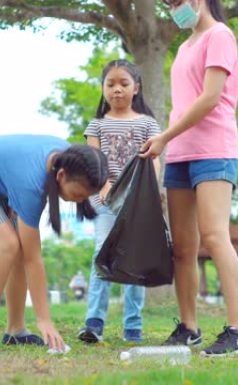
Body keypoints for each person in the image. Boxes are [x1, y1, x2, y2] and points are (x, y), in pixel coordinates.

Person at [140, 0, 238, 356]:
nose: (175, 7)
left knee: (214, 235)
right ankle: (189, 328)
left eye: (178, 1)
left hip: (213, 149)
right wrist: (167, 142)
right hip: (179, 152)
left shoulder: (220, 36)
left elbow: (210, 99)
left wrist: (163, 136)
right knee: (183, 248)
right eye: (170, 3)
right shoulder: (184, 46)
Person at [0, 135, 108, 351]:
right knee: (7, 245)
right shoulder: (32, 183)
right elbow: (33, 259)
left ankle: (16, 330)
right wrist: (44, 319)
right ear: (61, 175)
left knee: (18, 248)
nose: (80, 201)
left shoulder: (70, 160)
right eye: (78, 194)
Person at [78, 59, 161, 344]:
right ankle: (94, 323)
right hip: (104, 202)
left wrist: (151, 195)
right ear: (102, 89)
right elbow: (94, 161)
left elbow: (154, 162)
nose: (117, 90)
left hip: (136, 203)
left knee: (134, 261)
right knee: (101, 256)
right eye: (110, 84)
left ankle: (133, 328)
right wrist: (104, 185)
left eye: (123, 84)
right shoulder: (96, 125)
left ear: (136, 88)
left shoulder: (148, 124)